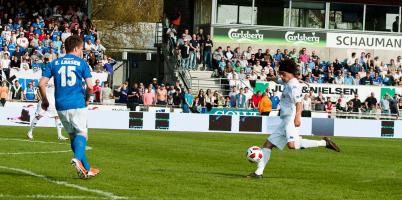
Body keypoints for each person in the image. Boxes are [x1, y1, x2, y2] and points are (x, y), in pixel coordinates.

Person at [247, 59, 340, 179]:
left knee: (292, 145)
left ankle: (324, 143)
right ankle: (258, 173)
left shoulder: (293, 85)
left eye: (283, 74)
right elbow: (277, 80)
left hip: (290, 118)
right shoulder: (288, 81)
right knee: (267, 144)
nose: (281, 76)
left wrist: (297, 117)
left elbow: (299, 102)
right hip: (284, 119)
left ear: (288, 73)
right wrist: (265, 78)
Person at [39, 35, 99, 179]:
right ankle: (77, 159)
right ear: (77, 48)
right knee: (82, 134)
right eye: (81, 49)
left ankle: (88, 169)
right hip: (77, 103)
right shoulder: (82, 63)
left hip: (61, 105)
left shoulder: (53, 63)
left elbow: (41, 84)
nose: (82, 52)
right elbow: (90, 86)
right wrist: (87, 99)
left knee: (73, 137)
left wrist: (45, 101)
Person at [27, 76, 69, 141]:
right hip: (44, 100)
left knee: (57, 116)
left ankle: (59, 135)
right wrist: (41, 98)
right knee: (39, 116)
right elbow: (38, 89)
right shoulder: (43, 78)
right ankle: (30, 132)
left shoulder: (57, 78)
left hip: (53, 101)